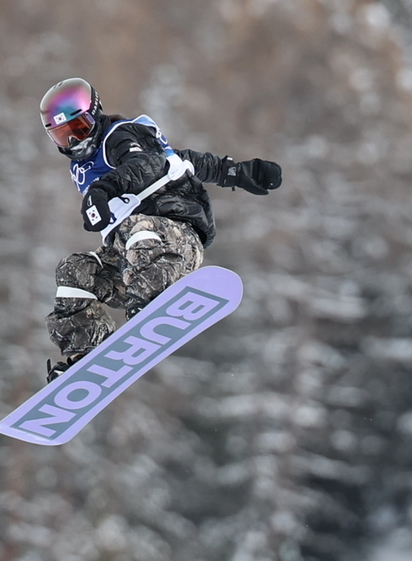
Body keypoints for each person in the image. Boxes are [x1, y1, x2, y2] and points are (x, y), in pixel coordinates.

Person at [39, 77, 282, 382]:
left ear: (96, 114)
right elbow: (184, 160)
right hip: (130, 263)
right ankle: (84, 351)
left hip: (174, 242)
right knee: (73, 270)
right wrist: (236, 172)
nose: (75, 143)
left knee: (138, 227)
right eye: (63, 137)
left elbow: (147, 165)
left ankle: (150, 305)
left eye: (80, 129)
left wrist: (104, 190)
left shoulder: (120, 137)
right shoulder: (82, 167)